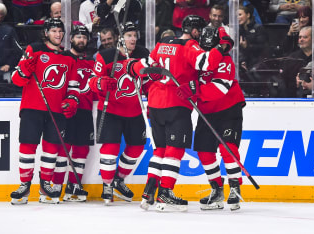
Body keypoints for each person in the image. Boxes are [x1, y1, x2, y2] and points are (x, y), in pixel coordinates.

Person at [126, 15, 233, 212]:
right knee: (174, 150)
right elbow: (207, 63)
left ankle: (149, 192)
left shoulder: (163, 43)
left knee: (160, 150)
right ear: (194, 31)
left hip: (155, 104)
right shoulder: (190, 46)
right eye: (199, 31)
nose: (201, 36)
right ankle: (166, 192)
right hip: (176, 104)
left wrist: (130, 66)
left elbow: (142, 66)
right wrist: (222, 47)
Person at [10, 18, 80, 205]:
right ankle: (24, 185)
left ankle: (45, 185)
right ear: (46, 33)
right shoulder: (34, 49)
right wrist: (24, 70)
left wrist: (71, 101)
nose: (58, 34)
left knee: (51, 150)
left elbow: (73, 87)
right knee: (27, 147)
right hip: (32, 108)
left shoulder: (69, 58)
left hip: (56, 111)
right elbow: (16, 79)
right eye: (54, 31)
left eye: (60, 31)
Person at [180, 26, 245, 211]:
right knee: (204, 151)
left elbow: (220, 89)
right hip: (207, 111)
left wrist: (195, 90)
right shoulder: (198, 58)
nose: (208, 52)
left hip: (228, 109)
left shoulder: (225, 60)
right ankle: (217, 190)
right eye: (205, 48)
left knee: (228, 148)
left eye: (212, 48)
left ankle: (234, 188)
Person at [88, 21, 150, 204]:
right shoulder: (106, 56)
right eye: (129, 35)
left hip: (135, 110)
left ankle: (118, 180)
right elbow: (92, 81)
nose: (133, 38)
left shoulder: (143, 54)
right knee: (110, 149)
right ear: (120, 38)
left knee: (137, 147)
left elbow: (147, 81)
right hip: (111, 109)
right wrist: (101, 84)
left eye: (135, 35)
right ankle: (107, 185)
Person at [51, 24, 95, 202]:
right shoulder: (61, 58)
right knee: (63, 148)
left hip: (84, 110)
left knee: (81, 149)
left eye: (84, 37)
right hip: (66, 110)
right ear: (71, 39)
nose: (81, 40)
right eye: (78, 37)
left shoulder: (92, 62)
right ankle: (56, 185)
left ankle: (74, 186)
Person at [238, 5, 268, 71]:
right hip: (243, 62)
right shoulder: (239, 30)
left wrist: (247, 46)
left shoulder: (258, 28)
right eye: (236, 15)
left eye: (240, 15)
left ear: (248, 15)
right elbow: (239, 50)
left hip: (257, 62)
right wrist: (242, 61)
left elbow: (262, 47)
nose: (238, 17)